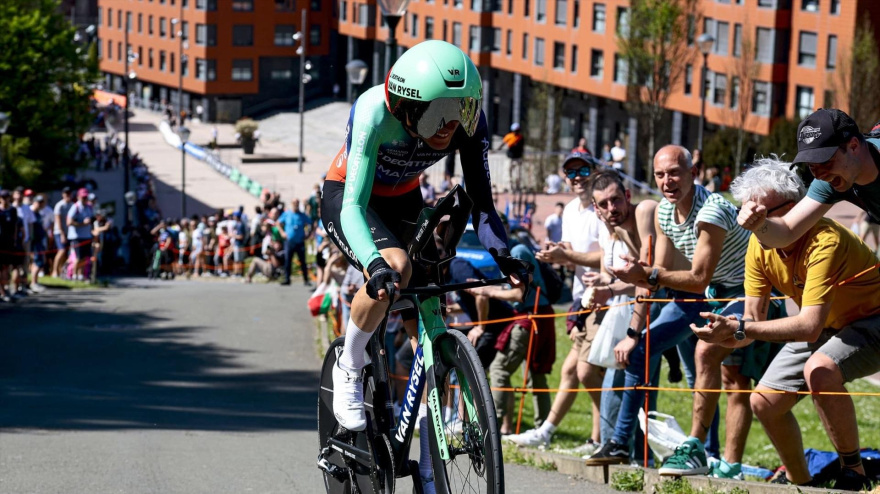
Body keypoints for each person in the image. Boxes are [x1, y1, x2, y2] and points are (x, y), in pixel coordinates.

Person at [319, 41, 527, 494]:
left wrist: (503, 254)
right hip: (350, 199)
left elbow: (482, 204)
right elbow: (353, 204)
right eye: (438, 114)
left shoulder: (465, 121)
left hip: (404, 202)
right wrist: (376, 264)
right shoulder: (375, 110)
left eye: (461, 112)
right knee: (395, 268)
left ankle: (429, 472)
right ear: (407, 107)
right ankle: (350, 366)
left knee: (431, 332)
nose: (450, 126)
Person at [694, 158, 880, 491]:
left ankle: (855, 474)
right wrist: (725, 333)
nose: (749, 221)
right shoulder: (758, 243)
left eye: (759, 214)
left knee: (820, 370)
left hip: (872, 319)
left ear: (793, 209)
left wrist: (741, 328)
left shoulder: (826, 240)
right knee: (763, 402)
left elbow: (807, 326)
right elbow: (752, 321)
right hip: (829, 324)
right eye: (745, 213)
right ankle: (801, 484)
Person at [589, 145, 753, 479]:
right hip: (701, 296)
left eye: (675, 172)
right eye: (660, 174)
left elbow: (696, 277)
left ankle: (706, 453)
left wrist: (644, 274)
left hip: (744, 295)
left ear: (694, 173)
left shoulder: (713, 210)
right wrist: (627, 312)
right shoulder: (664, 212)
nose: (667, 180)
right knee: (642, 351)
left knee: (716, 370)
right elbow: (657, 274)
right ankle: (621, 443)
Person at [522, 152, 604, 454]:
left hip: (606, 298)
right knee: (578, 371)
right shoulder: (570, 210)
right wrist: (555, 252)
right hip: (583, 298)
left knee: (586, 371)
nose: (577, 176)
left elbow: (607, 255)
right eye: (571, 172)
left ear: (595, 171)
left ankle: (608, 436)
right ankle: (594, 438)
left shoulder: (604, 207)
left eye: (583, 169)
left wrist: (566, 256)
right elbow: (572, 254)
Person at [738, 108, 880, 247]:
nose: (819, 175)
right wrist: (760, 225)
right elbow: (787, 231)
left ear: (853, 147)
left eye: (825, 162)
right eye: (812, 166)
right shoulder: (831, 181)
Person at [467, 212, 554, 435]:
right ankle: (541, 428)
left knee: (500, 368)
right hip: (533, 316)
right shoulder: (508, 253)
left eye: (496, 228)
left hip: (531, 316)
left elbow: (518, 294)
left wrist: (485, 290)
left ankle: (492, 425)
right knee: (534, 374)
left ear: (505, 229)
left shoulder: (517, 252)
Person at [278, 198, 311, 286]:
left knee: (303, 261)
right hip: (289, 241)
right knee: (288, 260)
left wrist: (308, 234)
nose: (296, 205)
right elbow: (278, 223)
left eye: (297, 203)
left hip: (299, 241)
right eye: (294, 203)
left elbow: (310, 223)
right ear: (292, 204)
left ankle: (306, 279)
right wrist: (282, 233)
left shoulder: (302, 215)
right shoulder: (287, 214)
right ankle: (287, 278)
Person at [66, 188, 95, 281]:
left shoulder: (89, 207)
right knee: (78, 257)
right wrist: (83, 223)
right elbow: (69, 222)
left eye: (86, 197)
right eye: (83, 197)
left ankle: (81, 275)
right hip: (77, 236)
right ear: (78, 197)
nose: (85, 199)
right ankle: (73, 275)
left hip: (87, 236)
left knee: (85, 258)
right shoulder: (75, 207)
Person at [52, 187, 73, 278]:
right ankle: (54, 271)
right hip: (59, 232)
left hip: (69, 233)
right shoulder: (59, 205)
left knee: (66, 254)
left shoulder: (72, 205)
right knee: (61, 251)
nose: (67, 195)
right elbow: (58, 220)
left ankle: (61, 271)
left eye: (69, 193)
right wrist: (62, 234)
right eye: (65, 193)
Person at [499, 122, 525, 192]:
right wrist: (497, 150)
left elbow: (522, 148)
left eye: (517, 130)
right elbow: (502, 144)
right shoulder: (509, 136)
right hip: (510, 158)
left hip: (518, 158)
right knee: (508, 174)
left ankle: (517, 188)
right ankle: (510, 188)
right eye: (515, 130)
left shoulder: (520, 137)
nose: (516, 132)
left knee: (518, 175)